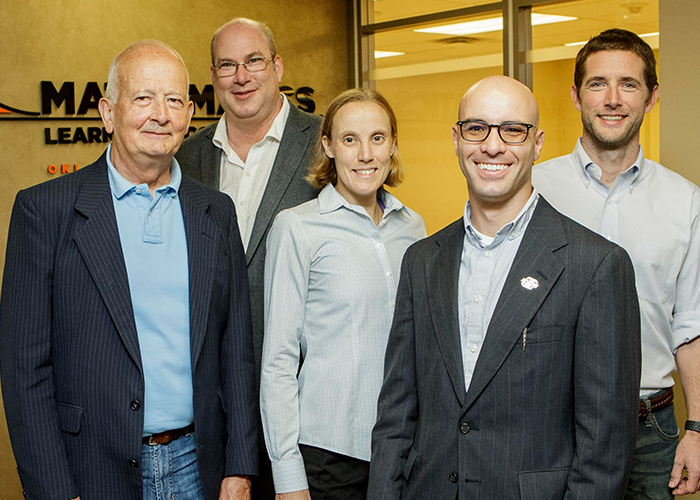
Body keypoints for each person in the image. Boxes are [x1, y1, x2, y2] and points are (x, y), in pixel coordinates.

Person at [0, 40, 257, 500]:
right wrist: (56, 491)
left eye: (174, 100)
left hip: (199, 466)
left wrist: (239, 467)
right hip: (90, 470)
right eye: (143, 98)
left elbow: (236, 352)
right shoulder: (45, 212)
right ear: (107, 111)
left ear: (190, 113)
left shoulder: (216, 212)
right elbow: (24, 373)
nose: (160, 114)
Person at [367, 75, 641, 500]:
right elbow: (396, 417)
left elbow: (604, 447)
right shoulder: (422, 262)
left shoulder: (595, 265)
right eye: (476, 128)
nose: (492, 146)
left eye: (513, 130)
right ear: (456, 139)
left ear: (538, 143)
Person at [532, 28, 700, 499]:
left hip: (652, 432)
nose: (612, 99)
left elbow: (691, 325)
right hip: (550, 425)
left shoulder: (685, 202)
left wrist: (698, 429)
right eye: (597, 84)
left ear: (651, 97)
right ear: (575, 95)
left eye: (628, 84)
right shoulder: (531, 192)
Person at [175, 22, 320, 496]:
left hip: (305, 401)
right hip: (211, 401)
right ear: (213, 76)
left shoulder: (327, 143)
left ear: (277, 66)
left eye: (254, 61)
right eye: (228, 65)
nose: (242, 76)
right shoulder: (186, 157)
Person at [260, 89, 426, 500]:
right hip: (330, 456)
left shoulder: (414, 229)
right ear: (328, 146)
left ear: (392, 146)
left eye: (378, 138)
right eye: (350, 139)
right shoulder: (298, 227)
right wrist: (288, 477)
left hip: (404, 448)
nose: (365, 154)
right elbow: (278, 361)